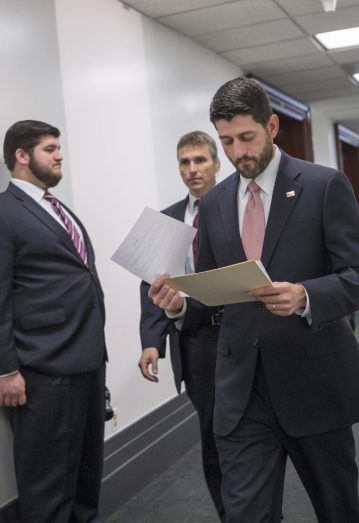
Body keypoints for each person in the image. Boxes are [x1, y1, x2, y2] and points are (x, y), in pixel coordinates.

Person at [148, 77, 359, 522]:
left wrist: (305, 295)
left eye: (247, 138)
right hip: (241, 389)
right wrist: (179, 305)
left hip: (313, 380)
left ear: (272, 126)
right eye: (227, 141)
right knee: (245, 514)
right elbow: (215, 290)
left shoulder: (323, 186)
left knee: (338, 510)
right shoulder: (215, 203)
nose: (238, 153)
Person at [0, 120, 107, 522]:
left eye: (59, 147)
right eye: (50, 148)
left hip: (87, 361)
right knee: (48, 487)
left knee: (85, 479)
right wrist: (3, 369)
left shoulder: (62, 211)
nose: (59, 155)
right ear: (21, 156)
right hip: (42, 370)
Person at [138, 131, 225, 519]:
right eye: (185, 163)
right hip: (194, 343)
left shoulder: (238, 207)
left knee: (249, 434)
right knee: (211, 436)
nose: (192, 170)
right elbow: (151, 282)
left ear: (216, 164)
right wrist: (151, 341)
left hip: (241, 337)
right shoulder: (168, 219)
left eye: (200, 161)